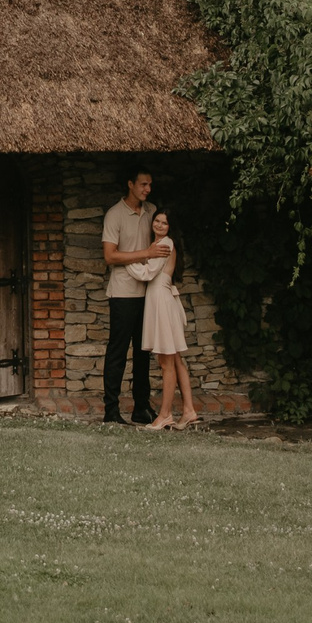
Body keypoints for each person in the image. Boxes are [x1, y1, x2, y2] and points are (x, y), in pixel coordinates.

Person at [100, 169, 170, 424]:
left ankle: (141, 408)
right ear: (130, 184)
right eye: (143, 184)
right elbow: (110, 256)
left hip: (148, 293)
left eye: (150, 184)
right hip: (123, 293)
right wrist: (146, 254)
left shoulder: (152, 211)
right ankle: (111, 411)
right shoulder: (114, 215)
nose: (148, 189)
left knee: (143, 353)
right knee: (118, 352)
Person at [128, 208, 194, 430]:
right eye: (156, 220)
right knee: (175, 360)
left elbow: (146, 273)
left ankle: (165, 414)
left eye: (164, 223)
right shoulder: (160, 244)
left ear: (169, 227)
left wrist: (127, 259)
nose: (158, 225)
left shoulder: (164, 244)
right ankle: (189, 410)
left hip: (163, 304)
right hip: (163, 300)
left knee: (166, 363)